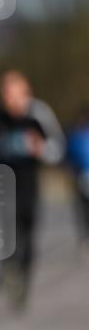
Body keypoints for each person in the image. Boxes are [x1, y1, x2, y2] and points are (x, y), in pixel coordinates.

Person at [0, 70, 65, 309]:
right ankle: (7, 269)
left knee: (27, 234)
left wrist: (41, 150)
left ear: (26, 93)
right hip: (3, 183)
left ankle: (23, 280)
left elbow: (57, 149)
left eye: (15, 93)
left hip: (29, 183)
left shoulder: (38, 114)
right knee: (7, 232)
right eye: (6, 93)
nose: (10, 99)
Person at [65, 104, 89, 247]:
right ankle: (86, 236)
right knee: (83, 208)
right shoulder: (75, 136)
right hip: (81, 177)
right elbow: (69, 156)